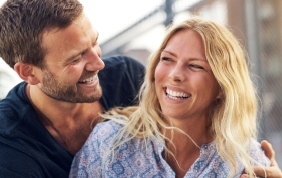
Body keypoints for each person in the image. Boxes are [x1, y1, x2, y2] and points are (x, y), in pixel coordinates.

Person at [69, 17, 275, 178]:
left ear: (222, 86)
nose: (175, 74)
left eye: (195, 66)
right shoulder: (108, 142)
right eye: (167, 59)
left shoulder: (247, 162)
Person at [0, 0, 144, 177]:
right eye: (76, 59)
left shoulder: (128, 77)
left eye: (94, 43)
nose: (98, 64)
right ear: (29, 72)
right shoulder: (9, 146)